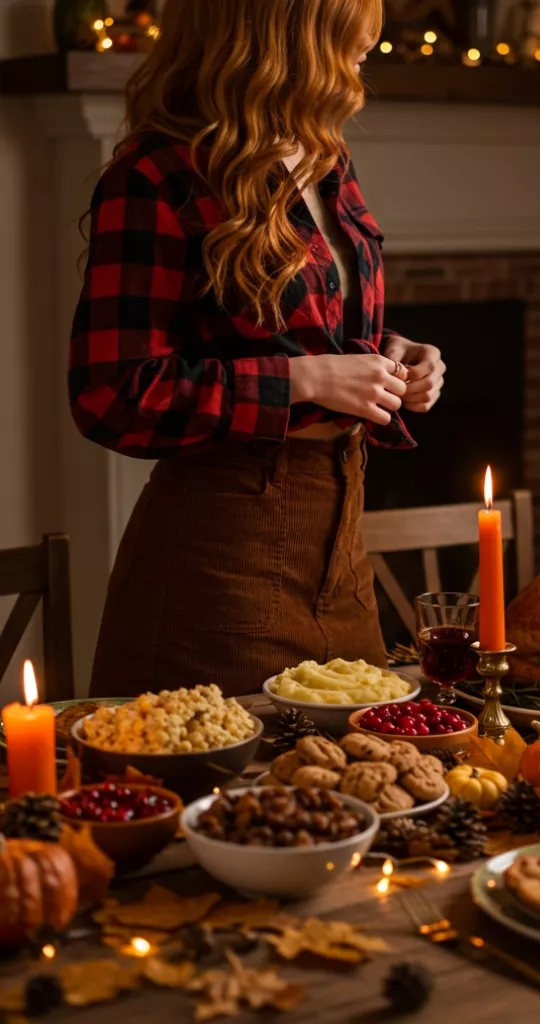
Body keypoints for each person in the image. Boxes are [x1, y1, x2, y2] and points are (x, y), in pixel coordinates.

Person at [69, 0, 445, 698]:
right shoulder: (158, 173)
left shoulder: (328, 157)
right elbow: (109, 395)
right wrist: (302, 382)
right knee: (241, 801)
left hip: (344, 553)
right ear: (284, 34)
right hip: (219, 565)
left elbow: (317, 340)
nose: (368, 46)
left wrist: (396, 358)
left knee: (361, 784)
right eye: (351, 31)